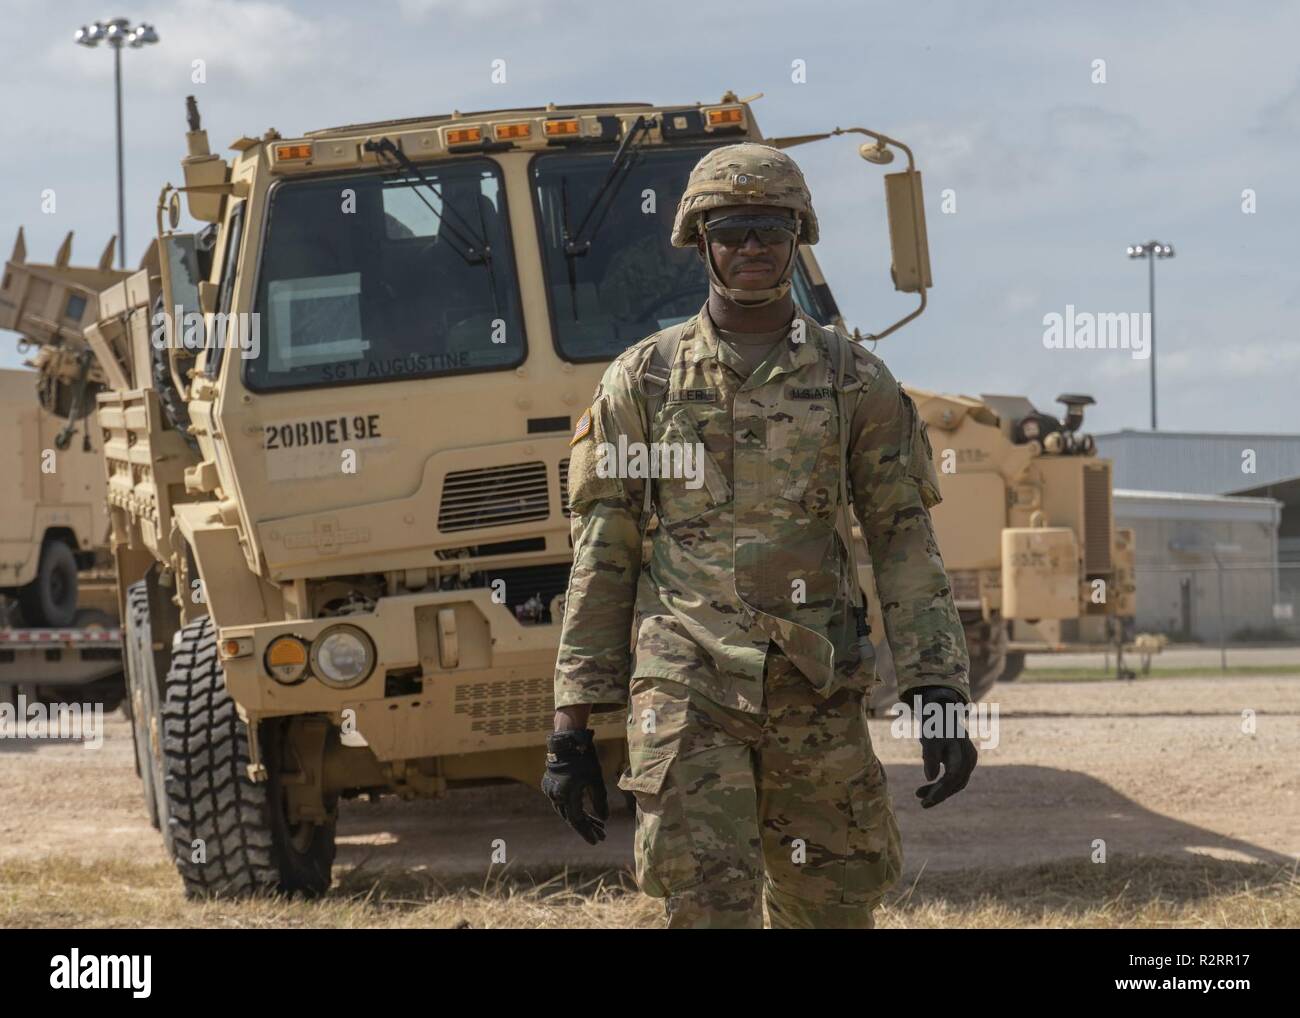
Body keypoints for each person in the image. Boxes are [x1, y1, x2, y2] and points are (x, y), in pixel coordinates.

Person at [541, 143, 976, 929]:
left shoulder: (855, 380)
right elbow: (604, 552)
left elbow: (903, 542)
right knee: (707, 908)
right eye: (733, 230)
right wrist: (573, 721)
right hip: (686, 685)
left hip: (816, 683)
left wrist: (937, 692)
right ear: (700, 240)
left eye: (770, 231)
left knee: (832, 909)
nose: (752, 249)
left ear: (797, 238)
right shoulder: (642, 382)